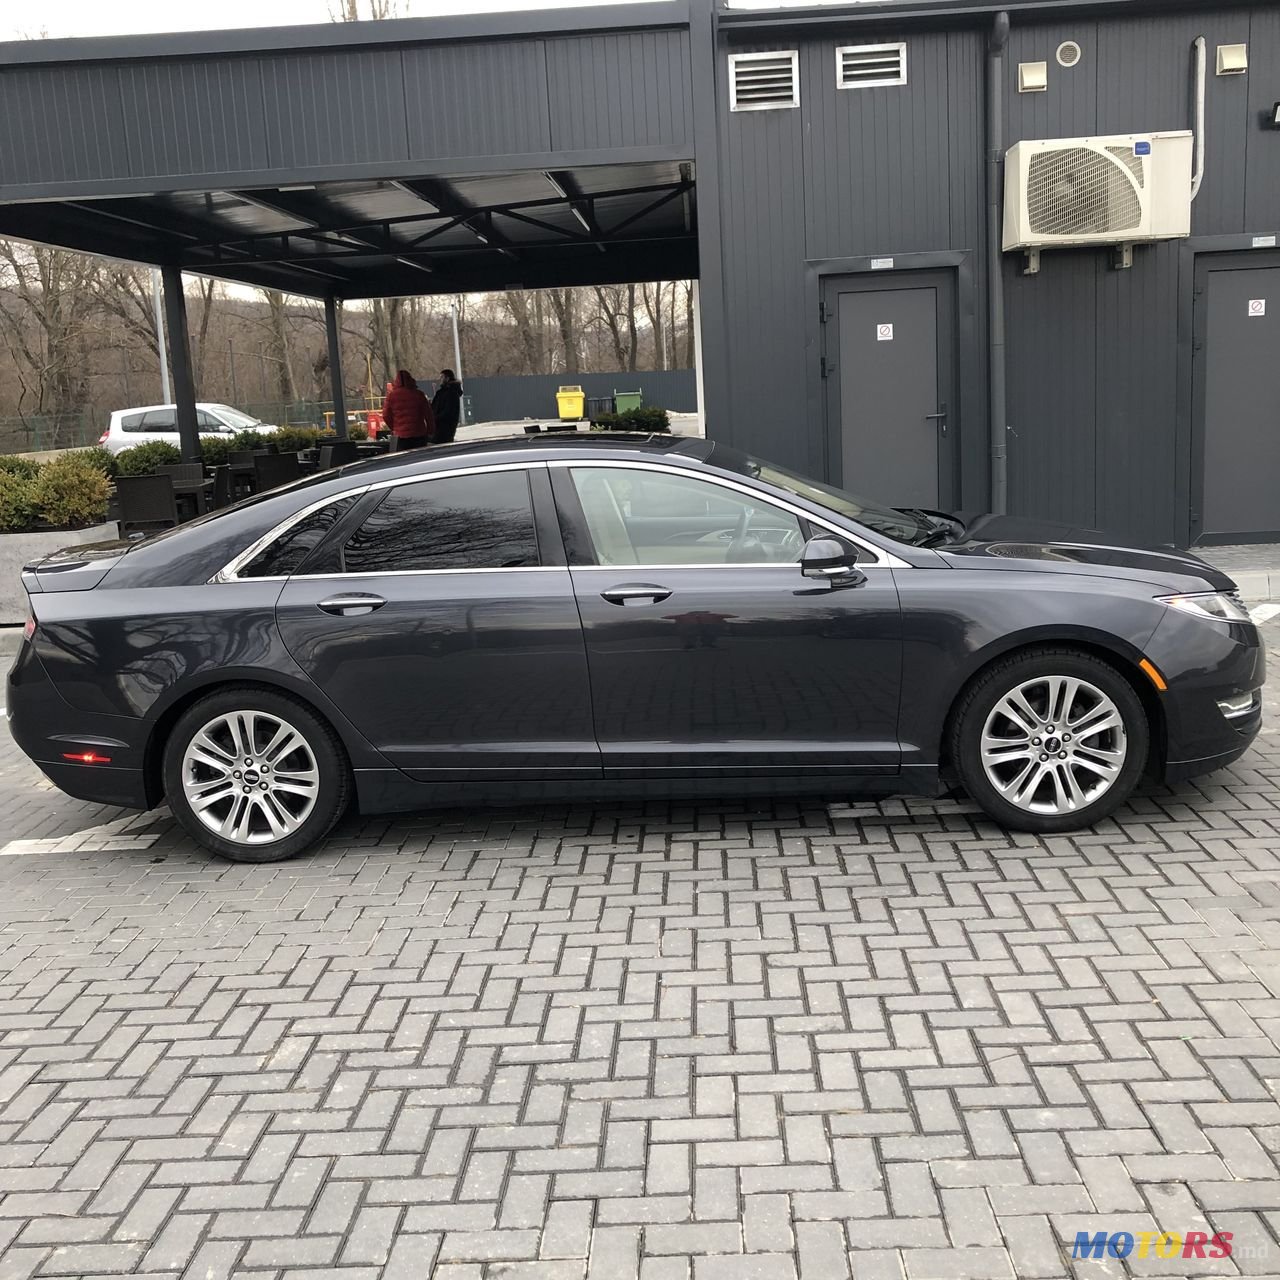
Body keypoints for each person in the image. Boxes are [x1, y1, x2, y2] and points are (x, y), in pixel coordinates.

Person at [381, 370, 434, 452]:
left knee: (404, 460)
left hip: (401, 436)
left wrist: (395, 428)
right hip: (419, 433)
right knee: (419, 458)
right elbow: (428, 414)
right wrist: (430, 430)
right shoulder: (419, 394)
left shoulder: (391, 396)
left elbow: (385, 415)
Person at [431, 369, 463, 446]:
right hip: (441, 427)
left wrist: (435, 418)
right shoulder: (444, 392)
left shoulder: (451, 393)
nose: (440, 379)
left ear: (447, 378)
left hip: (444, 428)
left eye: (442, 377)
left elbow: (448, 411)